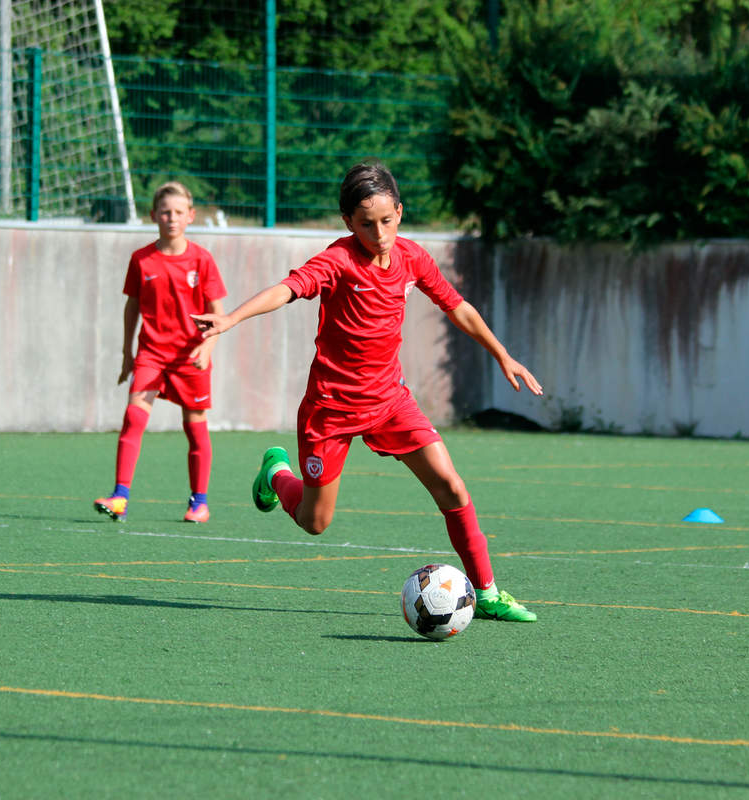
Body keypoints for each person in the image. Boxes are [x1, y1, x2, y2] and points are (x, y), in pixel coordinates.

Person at [192, 161, 543, 622]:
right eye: (365, 224)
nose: (378, 233)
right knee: (316, 523)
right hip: (331, 409)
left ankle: (489, 591)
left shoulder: (413, 258)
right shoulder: (338, 261)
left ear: (400, 211)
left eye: (386, 220)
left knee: (452, 487)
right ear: (347, 223)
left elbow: (457, 306)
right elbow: (288, 289)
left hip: (390, 402)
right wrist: (231, 319)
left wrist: (502, 354)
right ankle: (276, 473)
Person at [94, 181, 226, 523]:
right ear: (153, 215)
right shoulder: (141, 259)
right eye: (165, 212)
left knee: (195, 424)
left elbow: (218, 313)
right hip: (152, 352)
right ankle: (120, 496)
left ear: (191, 216)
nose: (171, 218)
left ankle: (200, 502)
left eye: (179, 212)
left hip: (189, 356)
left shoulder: (202, 259)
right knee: (134, 416)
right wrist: (127, 352)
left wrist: (207, 346)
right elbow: (131, 307)